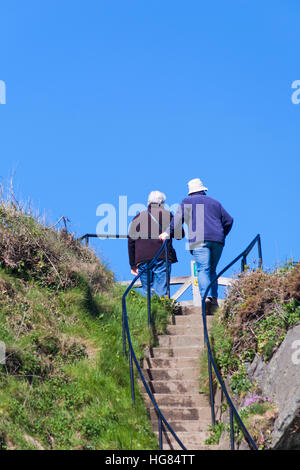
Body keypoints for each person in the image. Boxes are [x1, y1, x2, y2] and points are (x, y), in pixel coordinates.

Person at [160, 178, 233, 314]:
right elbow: (229, 220)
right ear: (203, 190)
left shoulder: (186, 202)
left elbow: (177, 220)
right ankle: (214, 300)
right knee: (212, 270)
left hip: (199, 239)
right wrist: (222, 234)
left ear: (190, 192)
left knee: (203, 269)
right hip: (217, 240)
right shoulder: (215, 203)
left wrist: (167, 233)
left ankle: (206, 297)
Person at [128, 191, 181, 297]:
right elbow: (180, 235)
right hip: (161, 256)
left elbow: (130, 241)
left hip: (141, 259)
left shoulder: (137, 217)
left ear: (148, 202)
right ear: (161, 203)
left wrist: (133, 264)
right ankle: (163, 311)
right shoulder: (167, 214)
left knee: (148, 293)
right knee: (161, 291)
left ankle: (153, 313)